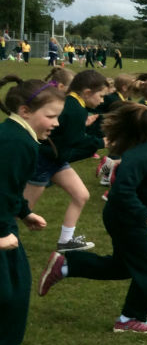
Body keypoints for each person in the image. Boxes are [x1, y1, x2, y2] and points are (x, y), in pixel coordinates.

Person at [37, 102, 147, 333]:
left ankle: (67, 265)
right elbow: (121, 193)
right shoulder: (141, 155)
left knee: (125, 267)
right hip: (124, 217)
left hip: (129, 215)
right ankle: (130, 319)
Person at [0, 76, 65, 345]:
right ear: (25, 111)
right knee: (12, 287)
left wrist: (25, 212)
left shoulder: (16, 136)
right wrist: (2, 233)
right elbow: (2, 191)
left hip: (6, 221)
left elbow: (11, 189)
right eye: (50, 116)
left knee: (13, 283)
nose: (56, 123)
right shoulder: (17, 143)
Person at [23, 69, 108, 253]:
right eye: (101, 96)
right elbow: (73, 144)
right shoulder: (75, 109)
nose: (102, 100)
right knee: (22, 209)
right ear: (87, 92)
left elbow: (67, 140)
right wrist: (101, 142)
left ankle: (65, 241)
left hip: (55, 160)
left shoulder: (71, 104)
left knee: (81, 195)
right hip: (45, 161)